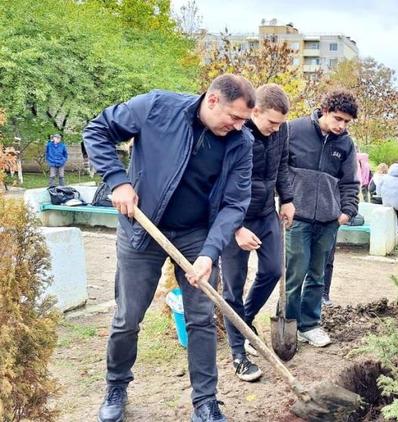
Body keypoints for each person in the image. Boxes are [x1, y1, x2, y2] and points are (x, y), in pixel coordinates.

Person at [84, 74, 255, 422]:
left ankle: (205, 403)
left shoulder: (241, 142)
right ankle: (116, 386)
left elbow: (235, 204)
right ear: (212, 101)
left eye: (244, 120)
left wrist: (209, 253)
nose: (239, 126)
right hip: (142, 228)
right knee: (127, 318)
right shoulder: (157, 107)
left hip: (196, 234)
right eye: (234, 117)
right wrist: (118, 181)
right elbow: (97, 131)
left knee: (202, 319)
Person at [220, 84, 294, 383]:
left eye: (281, 123)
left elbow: (283, 165)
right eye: (271, 122)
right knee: (233, 286)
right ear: (255, 111)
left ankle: (244, 321)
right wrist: (235, 228)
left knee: (274, 269)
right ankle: (238, 353)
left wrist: (287, 198)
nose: (276, 129)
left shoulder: (281, 131)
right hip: (234, 218)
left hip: (266, 214)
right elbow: (219, 184)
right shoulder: (235, 133)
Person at [285, 89, 360, 347]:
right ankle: (287, 323)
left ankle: (310, 325)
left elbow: (351, 181)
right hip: (298, 217)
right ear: (325, 110)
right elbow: (278, 168)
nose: (342, 126)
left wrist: (347, 211)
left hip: (329, 221)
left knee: (317, 274)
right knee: (295, 272)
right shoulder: (293, 131)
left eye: (347, 122)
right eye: (338, 118)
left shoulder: (346, 145)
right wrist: (285, 200)